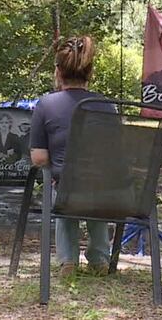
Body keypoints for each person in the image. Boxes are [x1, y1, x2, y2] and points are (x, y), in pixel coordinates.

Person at [29, 35, 112, 278]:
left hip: (66, 191)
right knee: (95, 186)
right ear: (90, 72)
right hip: (110, 194)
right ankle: (100, 258)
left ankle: (68, 260)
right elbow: (114, 154)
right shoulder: (107, 105)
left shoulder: (46, 105)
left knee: (62, 186)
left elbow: (38, 159)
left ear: (58, 71)